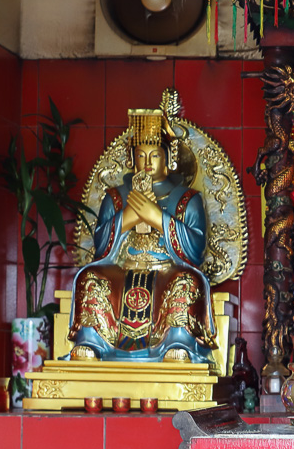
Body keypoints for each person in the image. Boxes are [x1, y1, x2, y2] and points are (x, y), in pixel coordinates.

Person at [67, 107, 217, 364]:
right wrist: (128, 217)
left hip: (167, 270)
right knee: (89, 278)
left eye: (155, 155)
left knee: (187, 281)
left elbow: (196, 249)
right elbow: (100, 246)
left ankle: (177, 341)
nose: (147, 162)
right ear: (131, 158)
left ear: (168, 159)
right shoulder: (115, 197)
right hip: (123, 268)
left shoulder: (187, 198)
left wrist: (156, 217)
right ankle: (93, 341)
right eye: (140, 155)